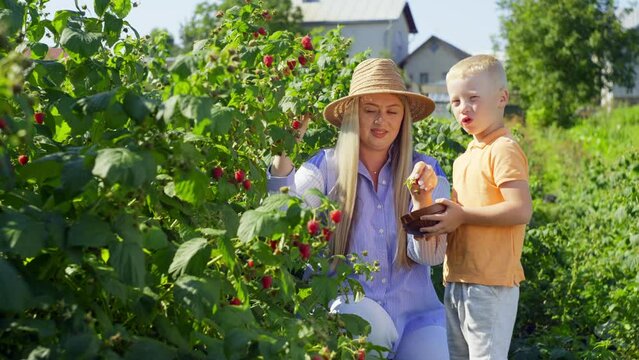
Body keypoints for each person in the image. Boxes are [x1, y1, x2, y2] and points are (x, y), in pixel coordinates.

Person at [267, 58, 450, 359]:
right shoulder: (325, 167)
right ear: (353, 115)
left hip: (415, 318)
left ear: (404, 118)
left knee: (437, 351)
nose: (382, 121)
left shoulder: (425, 170)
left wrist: (423, 199)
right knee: (362, 316)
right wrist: (282, 149)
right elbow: (282, 222)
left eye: (392, 112)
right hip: (347, 312)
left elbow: (431, 256)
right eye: (370, 111)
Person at [417, 55, 533, 359]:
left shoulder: (503, 150)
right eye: (455, 101)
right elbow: (460, 218)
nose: (462, 108)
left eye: (473, 98)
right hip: (458, 279)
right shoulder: (465, 157)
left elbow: (520, 209)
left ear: (501, 98)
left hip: (490, 282)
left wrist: (463, 214)